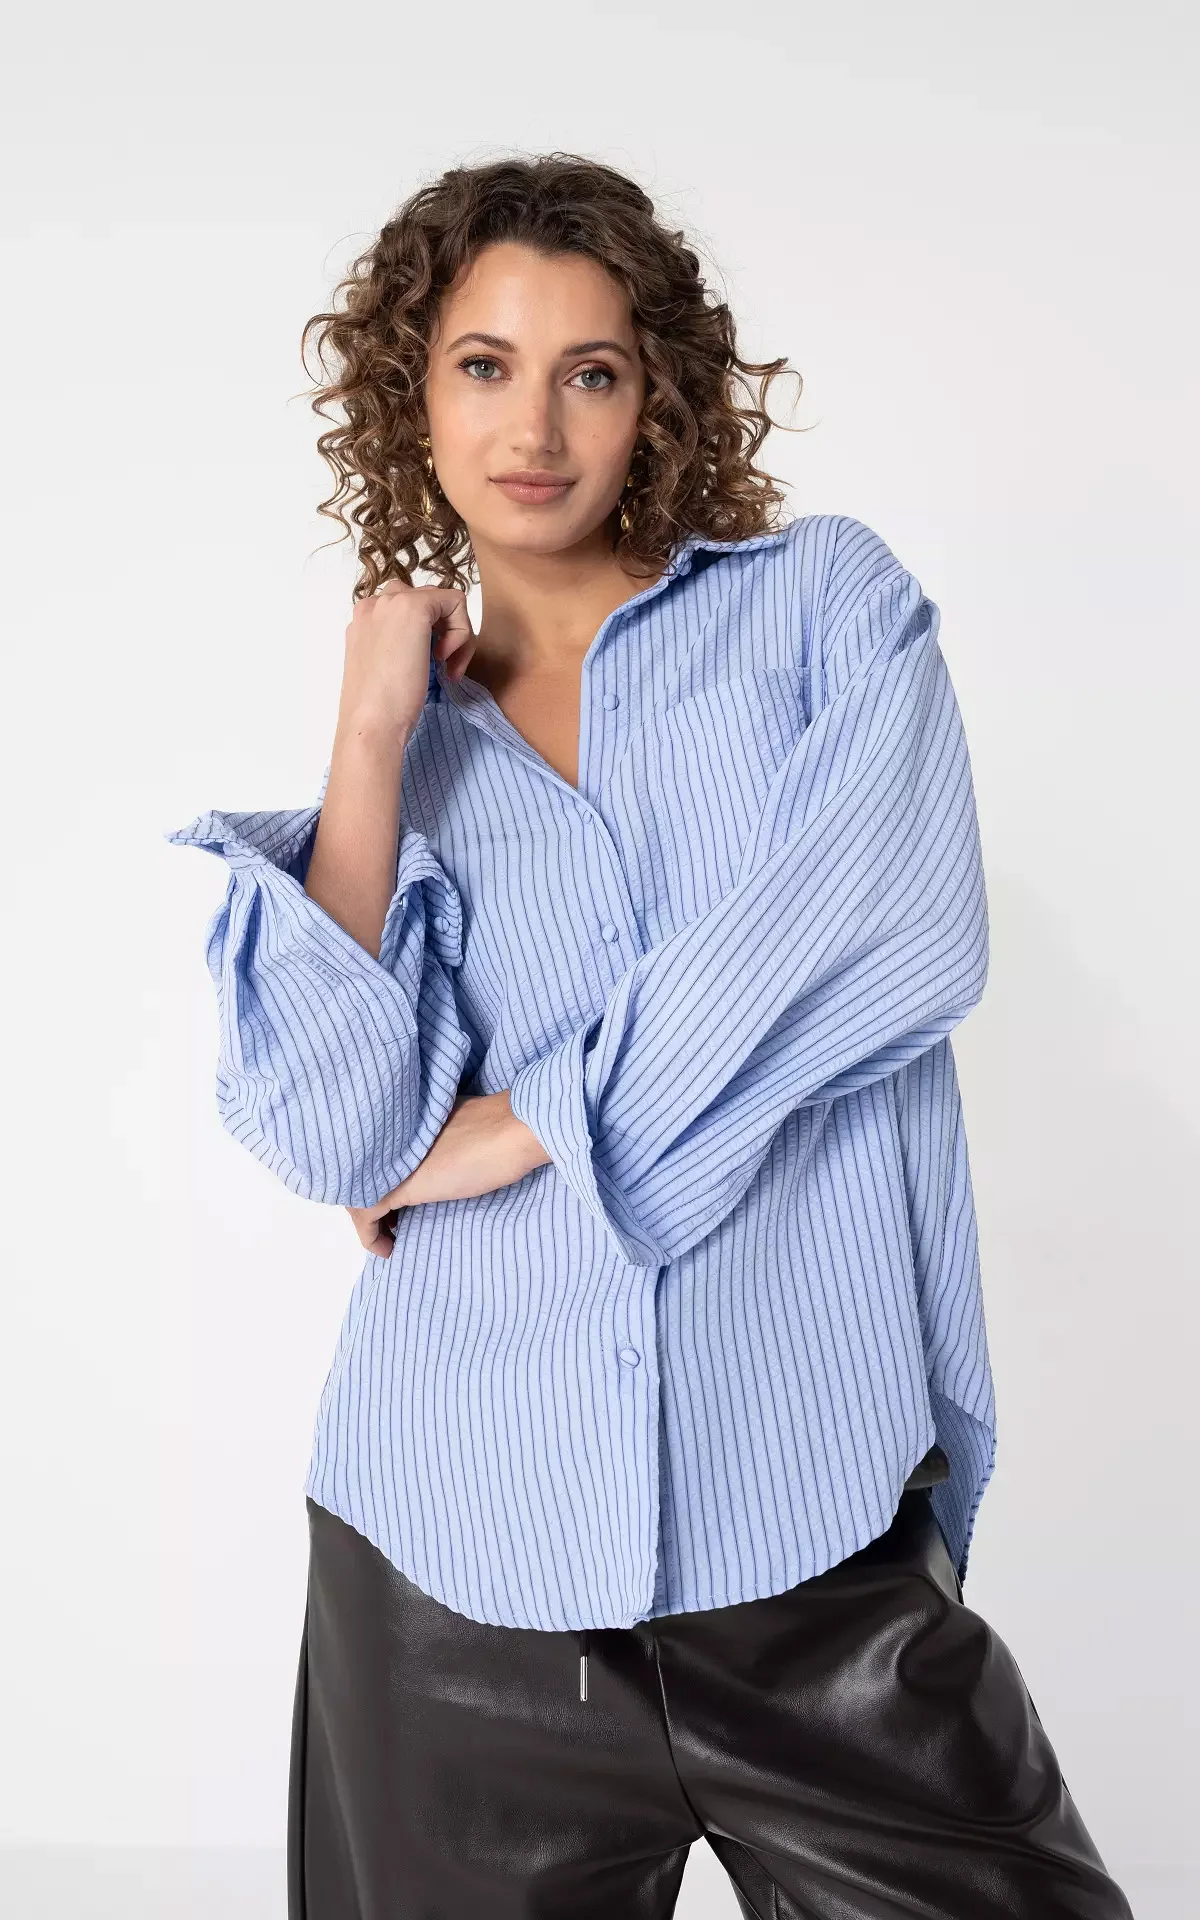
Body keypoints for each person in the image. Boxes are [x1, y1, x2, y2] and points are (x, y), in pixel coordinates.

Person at [166, 153, 1135, 1919]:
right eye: (483, 365)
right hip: (450, 1592)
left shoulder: (824, 612)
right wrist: (367, 747)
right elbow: (337, 1134)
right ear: (412, 395)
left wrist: (521, 1122)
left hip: (818, 1569)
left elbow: (900, 923)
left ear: (657, 400)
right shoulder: (412, 758)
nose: (534, 425)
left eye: (591, 372)